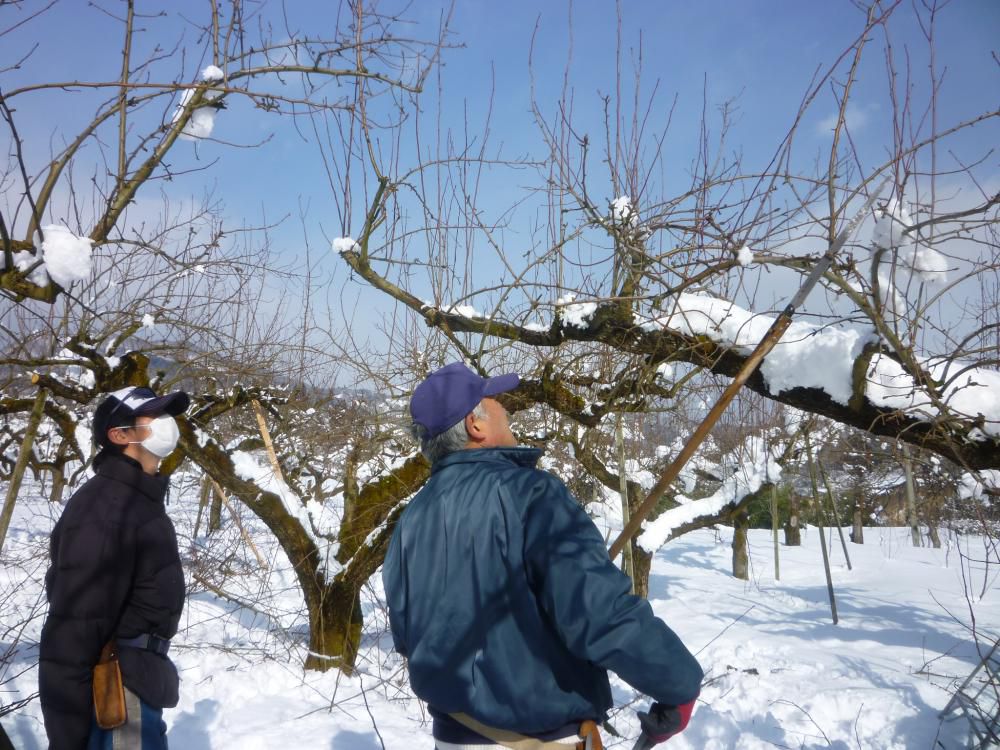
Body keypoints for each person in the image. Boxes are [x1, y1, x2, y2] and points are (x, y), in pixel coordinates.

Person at [383, 362, 703, 749]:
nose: (505, 408)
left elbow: (408, 635)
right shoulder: (530, 494)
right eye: (495, 400)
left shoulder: (412, 517)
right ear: (475, 424)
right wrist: (679, 683)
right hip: (538, 739)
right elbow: (598, 611)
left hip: (452, 736)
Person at [39, 386, 190, 750]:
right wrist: (68, 738)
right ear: (120, 435)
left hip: (139, 682)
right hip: (119, 694)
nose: (167, 423)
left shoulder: (136, 500)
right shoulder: (106, 510)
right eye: (154, 417)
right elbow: (74, 629)